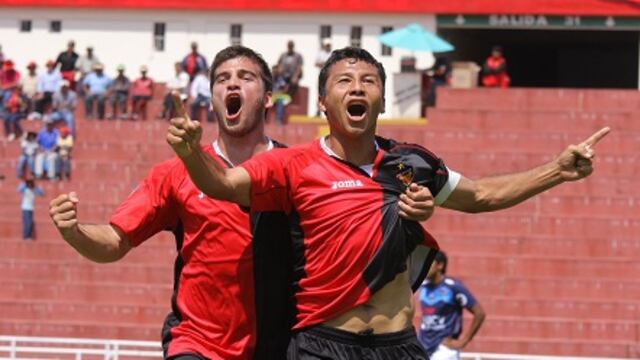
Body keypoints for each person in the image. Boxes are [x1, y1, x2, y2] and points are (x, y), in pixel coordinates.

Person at [167, 46, 610, 359]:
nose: (356, 88)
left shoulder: (410, 164)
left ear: (381, 99)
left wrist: (557, 170)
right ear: (324, 102)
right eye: (344, 81)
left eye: (368, 81)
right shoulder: (292, 165)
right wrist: (189, 153)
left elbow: (482, 196)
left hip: (397, 345)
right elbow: (224, 183)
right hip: (322, 344)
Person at [49, 45, 434, 360]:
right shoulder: (175, 172)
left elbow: (369, 212)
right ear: (213, 96)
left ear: (267, 97)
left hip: (280, 346)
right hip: (198, 345)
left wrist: (416, 208)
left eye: (245, 77)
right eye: (222, 79)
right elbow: (114, 242)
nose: (232, 83)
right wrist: (75, 231)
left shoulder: (300, 171)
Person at [417, 251, 485, 360]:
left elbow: (479, 313)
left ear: (440, 265)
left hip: (444, 349)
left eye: (429, 263)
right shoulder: (423, 287)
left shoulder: (453, 288)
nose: (425, 266)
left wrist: (464, 341)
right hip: (423, 346)